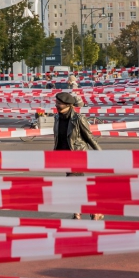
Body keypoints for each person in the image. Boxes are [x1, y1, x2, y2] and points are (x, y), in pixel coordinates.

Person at [53, 92, 103, 220]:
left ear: (68, 105)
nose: (56, 104)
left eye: (58, 103)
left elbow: (90, 138)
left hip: (78, 155)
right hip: (65, 157)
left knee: (73, 183)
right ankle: (94, 210)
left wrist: (102, 154)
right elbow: (58, 138)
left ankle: (77, 213)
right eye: (56, 102)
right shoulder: (57, 118)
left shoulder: (78, 118)